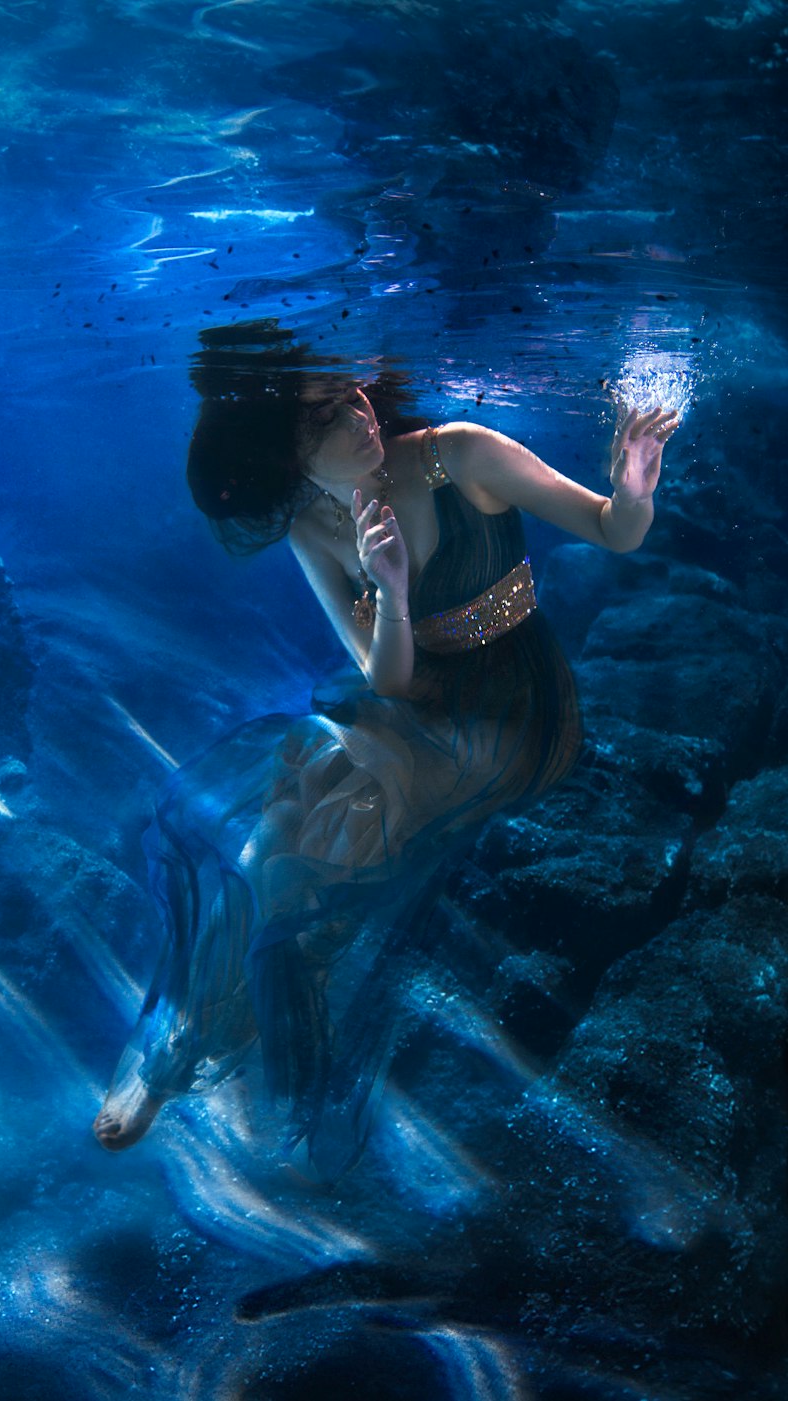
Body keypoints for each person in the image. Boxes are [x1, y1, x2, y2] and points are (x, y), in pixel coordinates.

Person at [93, 322, 678, 1174]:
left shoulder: (460, 456)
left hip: (510, 709)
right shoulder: (310, 527)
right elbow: (390, 680)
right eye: (325, 415)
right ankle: (172, 1042)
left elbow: (615, 531)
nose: (360, 413)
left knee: (325, 837)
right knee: (266, 835)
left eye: (350, 394)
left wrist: (632, 486)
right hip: (412, 706)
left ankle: (223, 1031)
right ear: (285, 454)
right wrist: (393, 591)